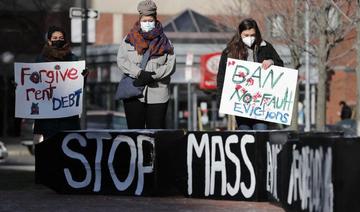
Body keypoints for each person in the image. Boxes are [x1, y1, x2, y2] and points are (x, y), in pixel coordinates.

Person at [117, 0, 176, 129]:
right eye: (144, 21)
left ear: (155, 20)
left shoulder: (166, 42)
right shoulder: (128, 39)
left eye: (150, 20)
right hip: (134, 92)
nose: (147, 23)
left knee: (155, 132)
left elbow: (171, 65)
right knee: (134, 131)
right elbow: (122, 60)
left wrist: (153, 75)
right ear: (139, 20)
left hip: (158, 93)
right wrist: (139, 73)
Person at [217, 18, 284, 130]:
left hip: (261, 104)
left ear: (257, 33)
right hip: (241, 104)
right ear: (240, 34)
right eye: (246, 35)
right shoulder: (230, 52)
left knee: (261, 132)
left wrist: (271, 62)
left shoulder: (266, 47)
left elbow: (280, 65)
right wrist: (221, 102)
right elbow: (221, 77)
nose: (249, 38)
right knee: (245, 133)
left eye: (252, 35)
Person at [32, 26, 86, 143]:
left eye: (61, 38)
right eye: (55, 38)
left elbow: (79, 87)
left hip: (67, 118)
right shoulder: (41, 60)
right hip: (46, 119)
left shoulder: (73, 60)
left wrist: (83, 77)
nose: (58, 40)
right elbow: (33, 85)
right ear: (49, 40)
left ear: (65, 40)